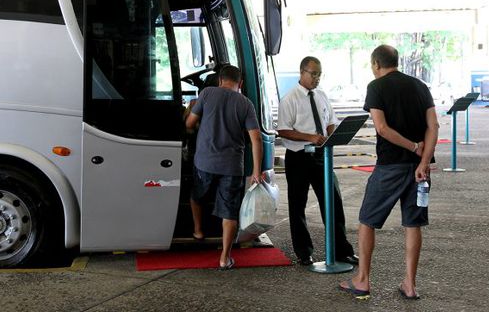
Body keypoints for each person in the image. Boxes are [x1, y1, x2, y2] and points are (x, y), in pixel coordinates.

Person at [339, 45, 438, 300]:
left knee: (367, 221)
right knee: (413, 224)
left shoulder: (376, 87)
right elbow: (433, 125)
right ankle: (410, 284)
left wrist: (414, 147)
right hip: (420, 171)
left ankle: (362, 280)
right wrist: (423, 160)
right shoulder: (420, 86)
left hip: (390, 166)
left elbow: (382, 129)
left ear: (375, 64)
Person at [277, 56, 357, 266]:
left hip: (322, 155)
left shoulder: (321, 96)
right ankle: (304, 252)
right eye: (313, 74)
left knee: (333, 202)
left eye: (319, 74)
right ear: (302, 72)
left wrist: (332, 135)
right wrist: (309, 136)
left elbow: (330, 122)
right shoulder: (290, 99)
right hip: (298, 157)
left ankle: (341, 250)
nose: (317, 78)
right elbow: (283, 130)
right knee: (297, 205)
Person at [185, 65, 264, 269]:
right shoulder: (246, 104)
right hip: (232, 167)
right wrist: (256, 171)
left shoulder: (207, 93)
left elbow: (189, 124)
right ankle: (224, 257)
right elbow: (256, 140)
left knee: (196, 196)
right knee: (229, 212)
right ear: (241, 83)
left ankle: (198, 230)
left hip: (204, 162)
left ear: (220, 80)